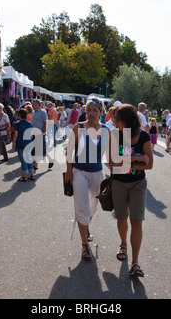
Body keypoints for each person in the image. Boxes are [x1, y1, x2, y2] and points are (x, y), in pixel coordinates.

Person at [109, 104, 153, 278]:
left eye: (116, 119)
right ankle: (123, 244)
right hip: (118, 183)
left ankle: (135, 262)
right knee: (121, 218)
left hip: (138, 183)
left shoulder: (143, 136)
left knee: (137, 221)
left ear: (125, 120)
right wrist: (137, 157)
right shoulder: (115, 135)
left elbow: (149, 165)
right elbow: (113, 164)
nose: (113, 122)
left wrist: (127, 162)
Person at [64, 99, 110, 261]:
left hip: (97, 173)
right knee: (82, 208)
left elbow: (110, 157)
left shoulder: (106, 130)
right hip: (79, 172)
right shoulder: (78, 127)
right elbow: (69, 151)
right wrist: (69, 171)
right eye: (89, 110)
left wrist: (117, 175)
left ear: (101, 112)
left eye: (95, 110)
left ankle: (86, 227)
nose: (91, 113)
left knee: (93, 208)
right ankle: (84, 245)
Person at [12, 109, 35, 182]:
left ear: (19, 115)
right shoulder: (30, 123)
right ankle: (32, 174)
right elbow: (31, 135)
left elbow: (16, 135)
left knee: (23, 160)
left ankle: (24, 175)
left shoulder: (17, 124)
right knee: (28, 158)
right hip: (28, 143)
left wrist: (13, 143)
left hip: (21, 143)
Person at [31, 99, 53, 170]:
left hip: (40, 133)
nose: (32, 105)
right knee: (35, 149)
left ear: (37, 105)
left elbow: (46, 123)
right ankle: (35, 164)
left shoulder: (43, 112)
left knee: (42, 151)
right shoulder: (33, 112)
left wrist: (43, 132)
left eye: (33, 104)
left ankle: (50, 160)